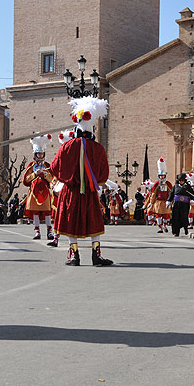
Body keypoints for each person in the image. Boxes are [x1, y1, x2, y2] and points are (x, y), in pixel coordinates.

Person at [48, 97, 113, 266]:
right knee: (93, 221)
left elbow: (54, 168)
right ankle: (96, 255)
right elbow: (104, 174)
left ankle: (74, 255)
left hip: (70, 191)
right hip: (90, 191)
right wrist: (94, 181)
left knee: (70, 221)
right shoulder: (98, 149)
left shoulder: (66, 147)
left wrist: (68, 178)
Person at [23, 134, 54, 240]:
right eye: (38, 154)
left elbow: (52, 180)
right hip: (33, 191)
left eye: (42, 154)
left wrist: (45, 174)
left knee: (47, 212)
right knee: (35, 212)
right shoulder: (31, 166)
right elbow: (26, 180)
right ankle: (37, 231)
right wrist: (35, 174)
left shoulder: (47, 165)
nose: (40, 156)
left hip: (45, 191)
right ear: (35, 154)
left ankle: (50, 231)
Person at [148, 158, 172, 234]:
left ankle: (165, 225)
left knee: (166, 215)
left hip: (166, 202)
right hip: (158, 202)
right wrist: (151, 202)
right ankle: (160, 227)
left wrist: (171, 201)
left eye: (163, 176)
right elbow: (153, 193)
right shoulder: (157, 184)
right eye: (161, 176)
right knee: (158, 215)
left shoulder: (168, 184)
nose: (162, 177)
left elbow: (171, 192)